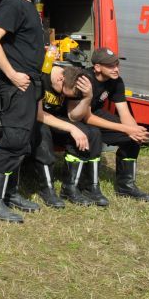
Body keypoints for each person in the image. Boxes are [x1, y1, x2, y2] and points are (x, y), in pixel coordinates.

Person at [0, 0, 54, 223]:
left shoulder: (29, 6)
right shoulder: (13, 3)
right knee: (13, 141)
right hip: (16, 86)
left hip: (30, 84)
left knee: (23, 142)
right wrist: (12, 75)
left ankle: (11, 194)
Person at [78, 47, 149, 201]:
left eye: (117, 64)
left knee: (131, 140)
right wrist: (125, 128)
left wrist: (134, 130)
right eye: (111, 66)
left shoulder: (116, 81)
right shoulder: (85, 79)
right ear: (97, 67)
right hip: (77, 116)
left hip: (95, 114)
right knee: (95, 135)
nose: (116, 69)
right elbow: (87, 117)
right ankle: (88, 187)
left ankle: (126, 187)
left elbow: (124, 111)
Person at [30, 64, 105, 207]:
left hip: (58, 121)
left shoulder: (72, 80)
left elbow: (73, 116)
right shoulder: (40, 76)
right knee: (43, 132)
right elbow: (39, 115)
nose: (63, 97)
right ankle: (47, 189)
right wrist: (71, 128)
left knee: (93, 133)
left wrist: (87, 97)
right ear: (60, 79)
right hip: (37, 119)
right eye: (64, 94)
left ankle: (78, 187)